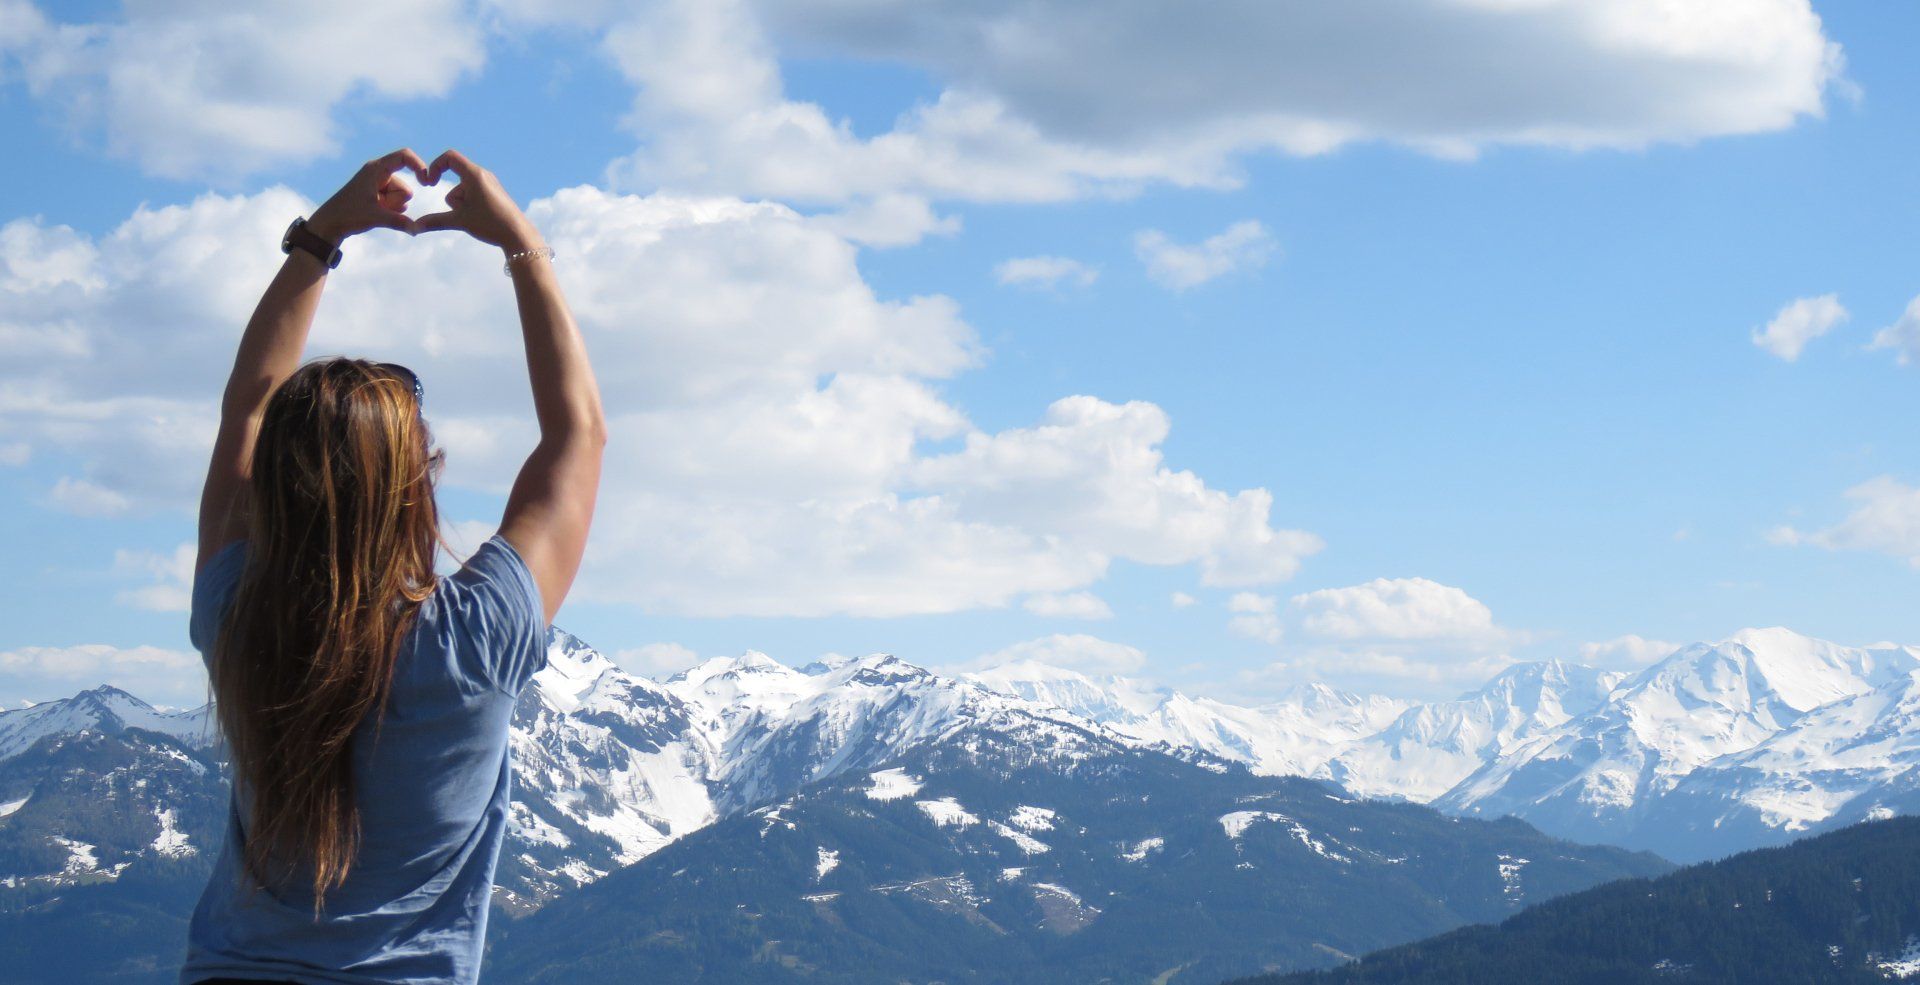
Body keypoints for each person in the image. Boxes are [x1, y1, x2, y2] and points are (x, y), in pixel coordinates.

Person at [180, 148, 606, 985]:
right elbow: (577, 435)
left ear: (273, 484)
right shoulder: (472, 641)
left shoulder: (236, 615)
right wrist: (523, 245)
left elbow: (248, 403)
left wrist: (321, 237)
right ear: (420, 487)